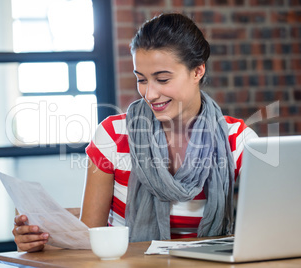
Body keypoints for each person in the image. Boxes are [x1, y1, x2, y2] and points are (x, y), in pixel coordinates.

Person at [13, 13, 258, 252]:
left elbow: (276, 218)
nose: (149, 94)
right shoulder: (112, 135)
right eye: (141, 79)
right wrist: (39, 239)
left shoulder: (235, 139)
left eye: (162, 79)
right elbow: (90, 236)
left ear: (197, 71)